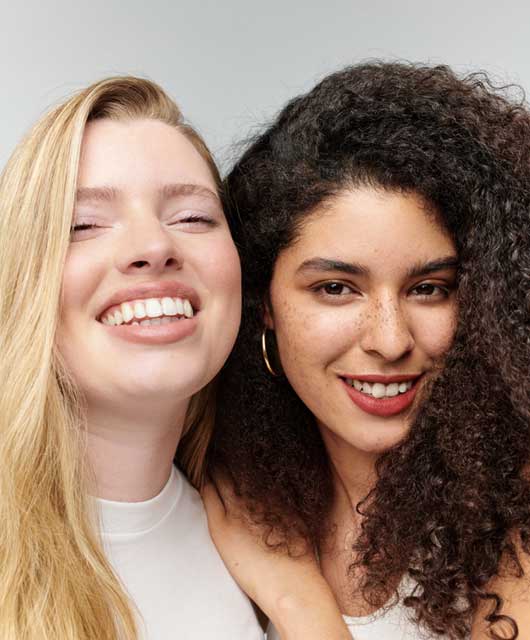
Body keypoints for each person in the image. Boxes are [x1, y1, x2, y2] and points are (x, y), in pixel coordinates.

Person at [0, 76, 351, 640]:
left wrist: (300, 606)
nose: (154, 247)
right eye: (84, 225)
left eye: (192, 217)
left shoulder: (282, 554)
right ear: (20, 281)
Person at [202, 62, 530, 639]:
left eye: (429, 289)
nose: (389, 340)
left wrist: (298, 603)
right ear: (266, 304)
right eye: (336, 288)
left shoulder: (516, 518)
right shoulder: (233, 491)